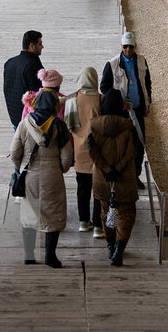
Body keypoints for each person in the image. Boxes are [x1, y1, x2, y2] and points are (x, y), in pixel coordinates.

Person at [10, 90, 73, 268]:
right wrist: (60, 168)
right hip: (52, 175)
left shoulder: (24, 124)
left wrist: (19, 168)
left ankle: (29, 255)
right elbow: (67, 157)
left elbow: (15, 152)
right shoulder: (60, 126)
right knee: (53, 213)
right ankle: (50, 256)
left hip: (29, 174)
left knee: (29, 213)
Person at [88, 89, 138, 266]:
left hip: (102, 179)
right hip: (124, 180)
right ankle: (119, 249)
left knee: (104, 213)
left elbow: (92, 152)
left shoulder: (94, 127)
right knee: (126, 214)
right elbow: (132, 151)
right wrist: (117, 169)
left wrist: (107, 169)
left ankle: (109, 246)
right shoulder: (128, 127)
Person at [100, 31, 151, 189]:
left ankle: (135, 177)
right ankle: (122, 177)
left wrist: (148, 103)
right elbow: (104, 88)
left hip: (137, 111)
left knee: (139, 145)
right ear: (121, 46)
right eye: (125, 47)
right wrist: (120, 102)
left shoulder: (142, 61)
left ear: (135, 46)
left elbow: (147, 84)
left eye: (131, 47)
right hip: (121, 114)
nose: (128, 50)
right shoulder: (112, 64)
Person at [64, 67, 103, 237]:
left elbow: (69, 126)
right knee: (98, 190)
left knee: (82, 189)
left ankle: (83, 222)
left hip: (79, 151)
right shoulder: (101, 99)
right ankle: (97, 227)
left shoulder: (72, 100)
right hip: (97, 151)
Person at [3, 30, 44, 129]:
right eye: (40, 44)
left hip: (14, 117)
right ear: (31, 46)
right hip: (29, 120)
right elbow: (38, 93)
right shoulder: (33, 64)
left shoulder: (9, 62)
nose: (42, 46)